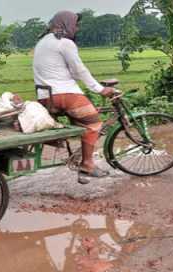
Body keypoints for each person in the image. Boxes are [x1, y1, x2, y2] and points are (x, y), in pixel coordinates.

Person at [33, 10, 116, 178]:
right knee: (93, 124)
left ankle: (77, 156)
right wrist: (100, 89)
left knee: (80, 122)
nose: (77, 29)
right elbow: (79, 70)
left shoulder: (43, 41)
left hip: (45, 97)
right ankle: (87, 165)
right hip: (64, 96)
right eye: (76, 25)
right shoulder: (64, 42)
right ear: (67, 24)